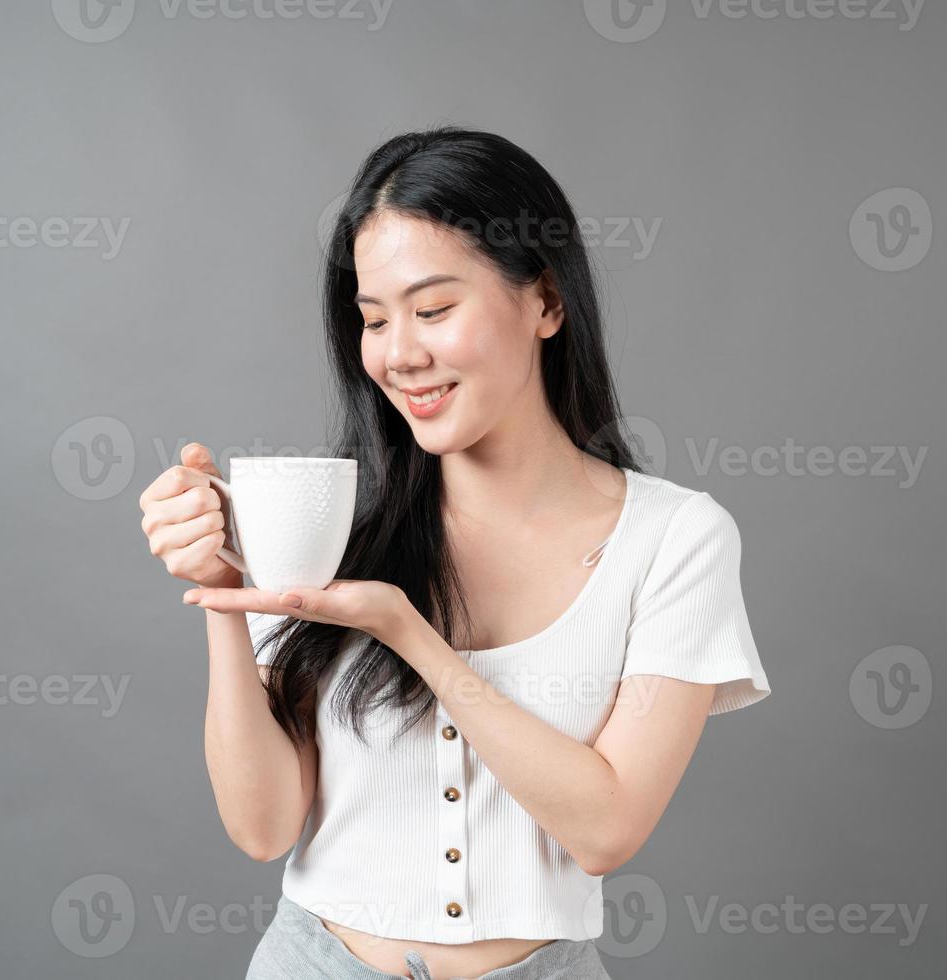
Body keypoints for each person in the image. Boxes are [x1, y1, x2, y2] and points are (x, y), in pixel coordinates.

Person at [139, 126, 771, 979]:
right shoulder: (332, 524)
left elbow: (605, 829)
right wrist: (223, 592)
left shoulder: (673, 539)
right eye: (373, 320)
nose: (399, 354)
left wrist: (411, 636)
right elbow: (263, 828)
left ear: (546, 301)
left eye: (433, 310)